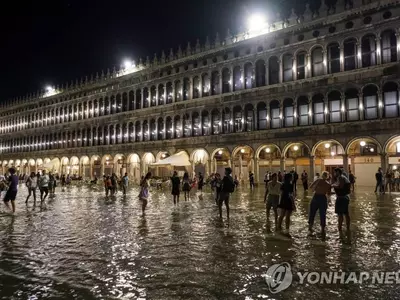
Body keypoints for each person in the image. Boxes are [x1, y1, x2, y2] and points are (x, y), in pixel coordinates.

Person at [332, 168, 351, 233]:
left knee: (340, 214)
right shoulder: (343, 177)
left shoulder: (341, 177)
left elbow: (340, 187)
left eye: (335, 172)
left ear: (338, 172)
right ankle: (348, 228)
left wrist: (333, 185)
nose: (334, 174)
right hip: (345, 197)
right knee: (346, 213)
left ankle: (339, 229)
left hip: (341, 198)